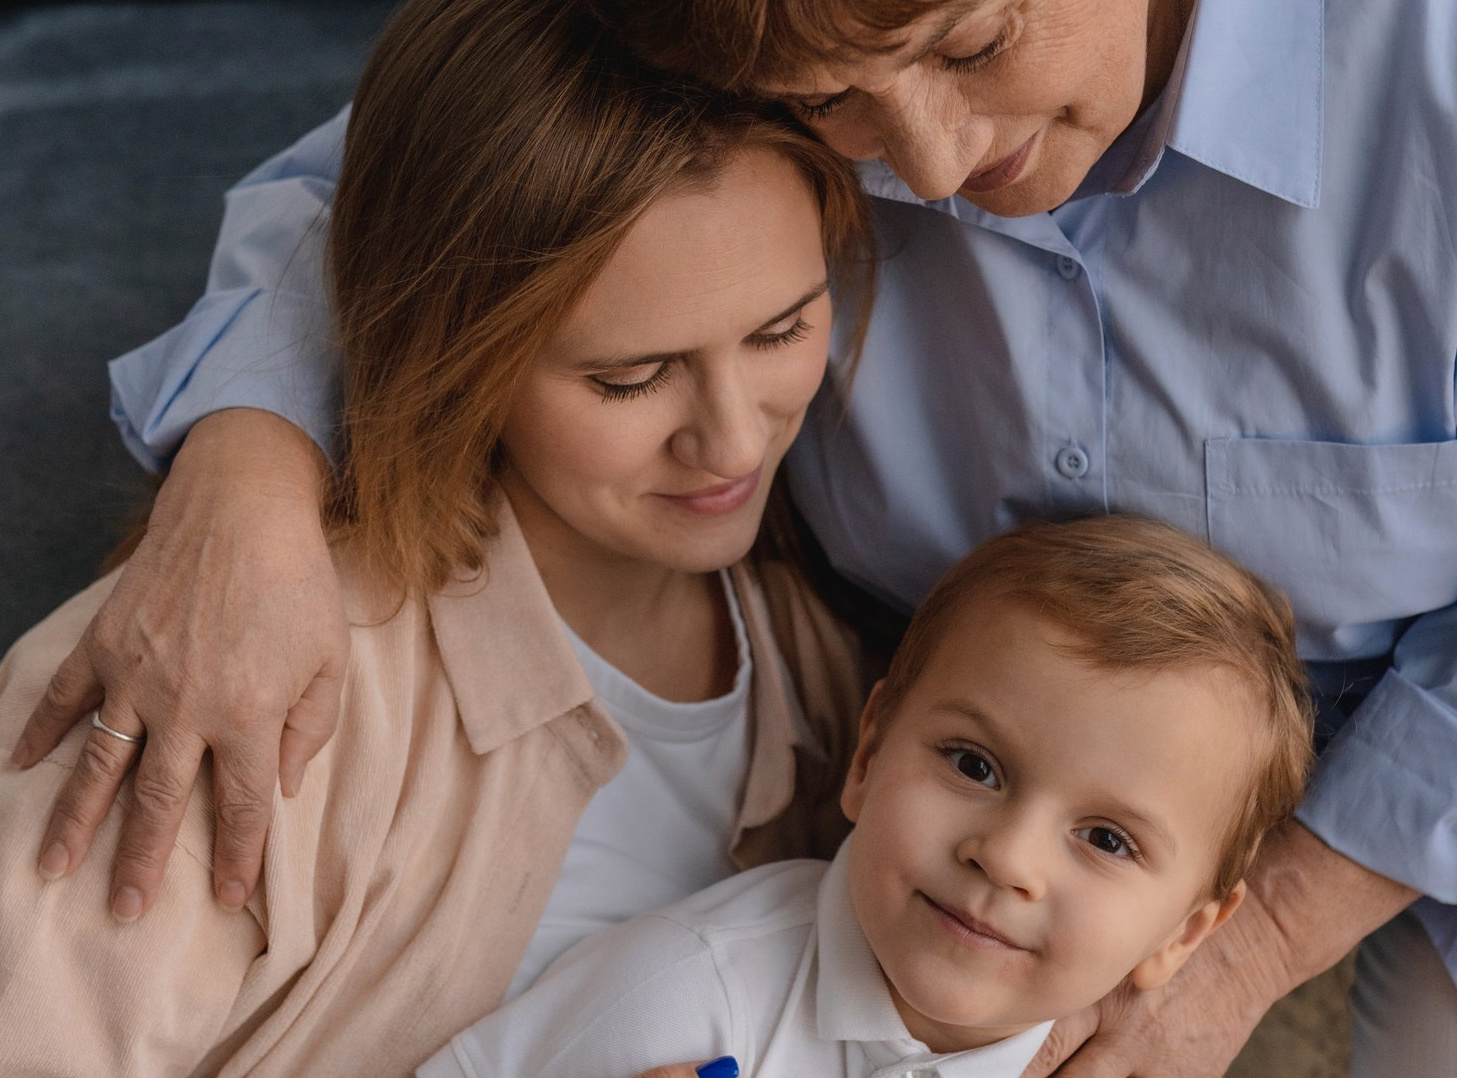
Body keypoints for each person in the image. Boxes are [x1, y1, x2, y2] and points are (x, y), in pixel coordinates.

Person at [12, 0, 1457, 1074]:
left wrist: (1247, 938)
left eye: (974, 38)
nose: (933, 165)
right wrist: (243, 468)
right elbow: (423, 173)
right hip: (944, 716)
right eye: (837, 100)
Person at [0, 0, 876, 1072]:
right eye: (629, 378)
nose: (734, 440)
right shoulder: (215, 678)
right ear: (459, 358)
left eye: (783, 328)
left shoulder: (836, 675)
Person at [415, 516, 1315, 1078]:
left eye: (1107, 840)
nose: (1004, 857)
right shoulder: (688, 996)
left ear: (1184, 934)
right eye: (973, 765)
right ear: (870, 749)